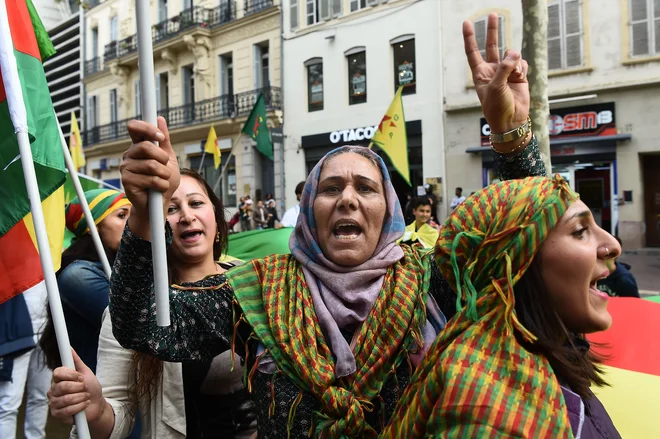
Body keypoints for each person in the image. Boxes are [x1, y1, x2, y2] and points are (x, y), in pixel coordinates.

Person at [107, 12, 547, 437]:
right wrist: (145, 210)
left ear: (390, 210)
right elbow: (145, 327)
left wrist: (511, 134)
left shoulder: (431, 278)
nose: (348, 199)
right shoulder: (260, 290)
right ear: (309, 209)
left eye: (366, 188)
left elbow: (530, 243)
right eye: (331, 188)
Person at [381, 176, 622, 438]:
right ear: (519, 263)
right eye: (579, 231)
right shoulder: (483, 406)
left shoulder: (553, 353)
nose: (613, 245)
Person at [46, 170, 256, 439]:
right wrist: (95, 408)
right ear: (153, 226)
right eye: (170, 208)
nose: (187, 216)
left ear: (216, 215)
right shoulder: (131, 308)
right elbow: (117, 418)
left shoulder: (256, 281)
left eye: (196, 203)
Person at [40, 189, 132, 373]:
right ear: (93, 226)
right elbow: (133, 323)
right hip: (98, 390)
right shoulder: (79, 275)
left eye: (134, 215)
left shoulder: (119, 266)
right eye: (122, 215)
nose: (132, 223)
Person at [0, 284, 51, 439]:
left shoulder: (51, 259)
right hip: (15, 331)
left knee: (41, 397)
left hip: (46, 327)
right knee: (8, 405)